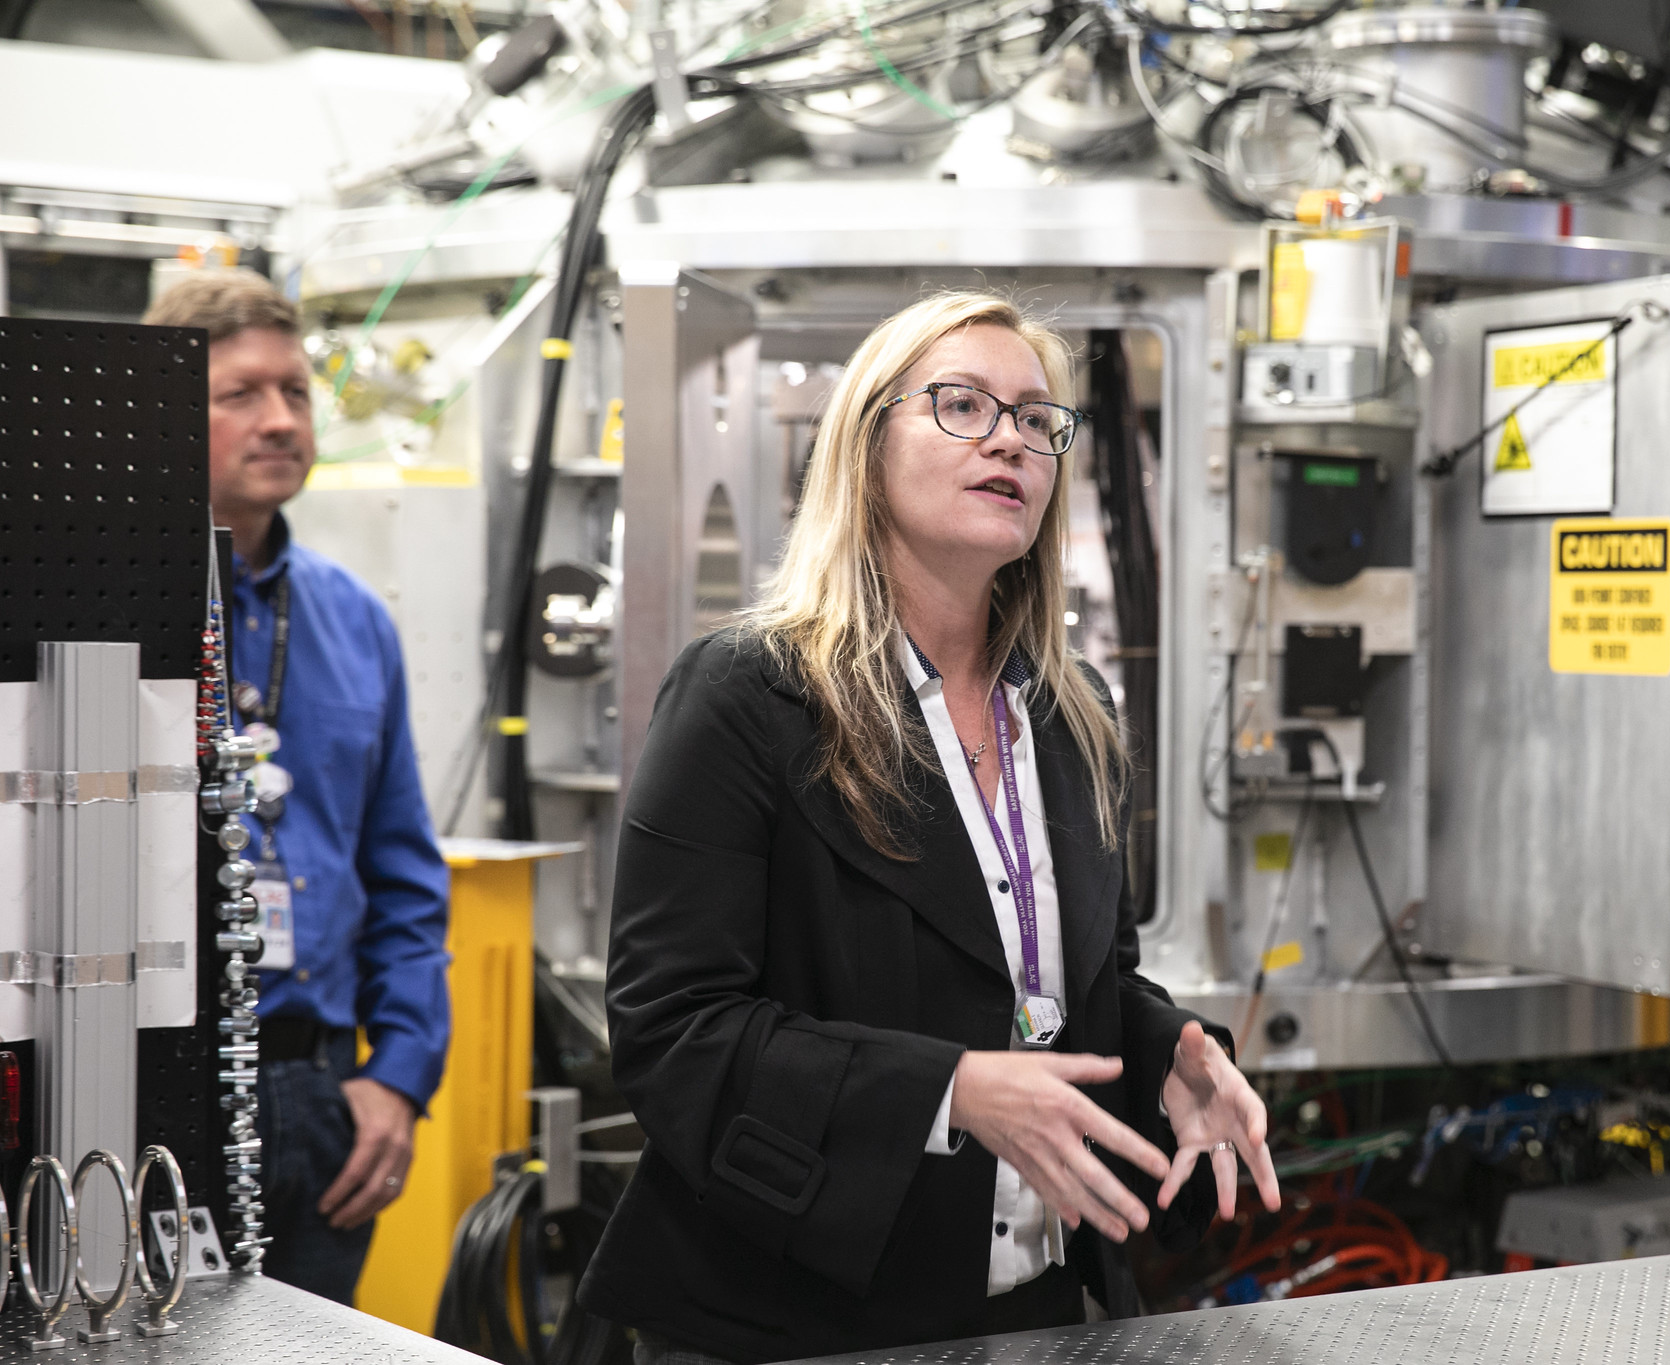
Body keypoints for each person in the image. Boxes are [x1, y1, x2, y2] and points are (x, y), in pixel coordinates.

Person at [583, 292, 1281, 1363]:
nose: (1009, 436)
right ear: (863, 451)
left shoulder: (1072, 711)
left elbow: (1084, 985)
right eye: (960, 405)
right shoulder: (748, 695)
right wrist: (947, 1092)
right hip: (791, 1317)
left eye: (1037, 419)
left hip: (1031, 1304)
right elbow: (671, 1026)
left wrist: (1163, 1054)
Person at [143, 272, 451, 1303]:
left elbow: (403, 870)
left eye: (296, 392)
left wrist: (399, 1077)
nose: (279, 420)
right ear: (163, 410)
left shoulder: (354, 619)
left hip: (318, 1092)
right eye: (240, 394)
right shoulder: (94, 605)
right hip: (145, 1090)